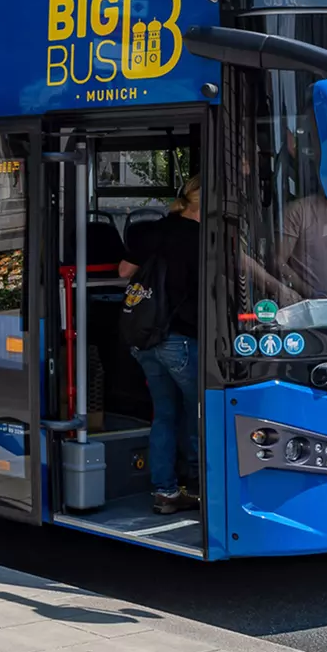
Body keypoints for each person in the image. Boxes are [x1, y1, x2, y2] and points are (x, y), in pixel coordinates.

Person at [117, 176, 202, 515]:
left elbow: (125, 270)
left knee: (165, 414)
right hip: (181, 338)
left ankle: (165, 491)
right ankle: (198, 485)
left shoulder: (152, 229)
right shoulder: (204, 238)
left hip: (145, 338)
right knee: (200, 411)